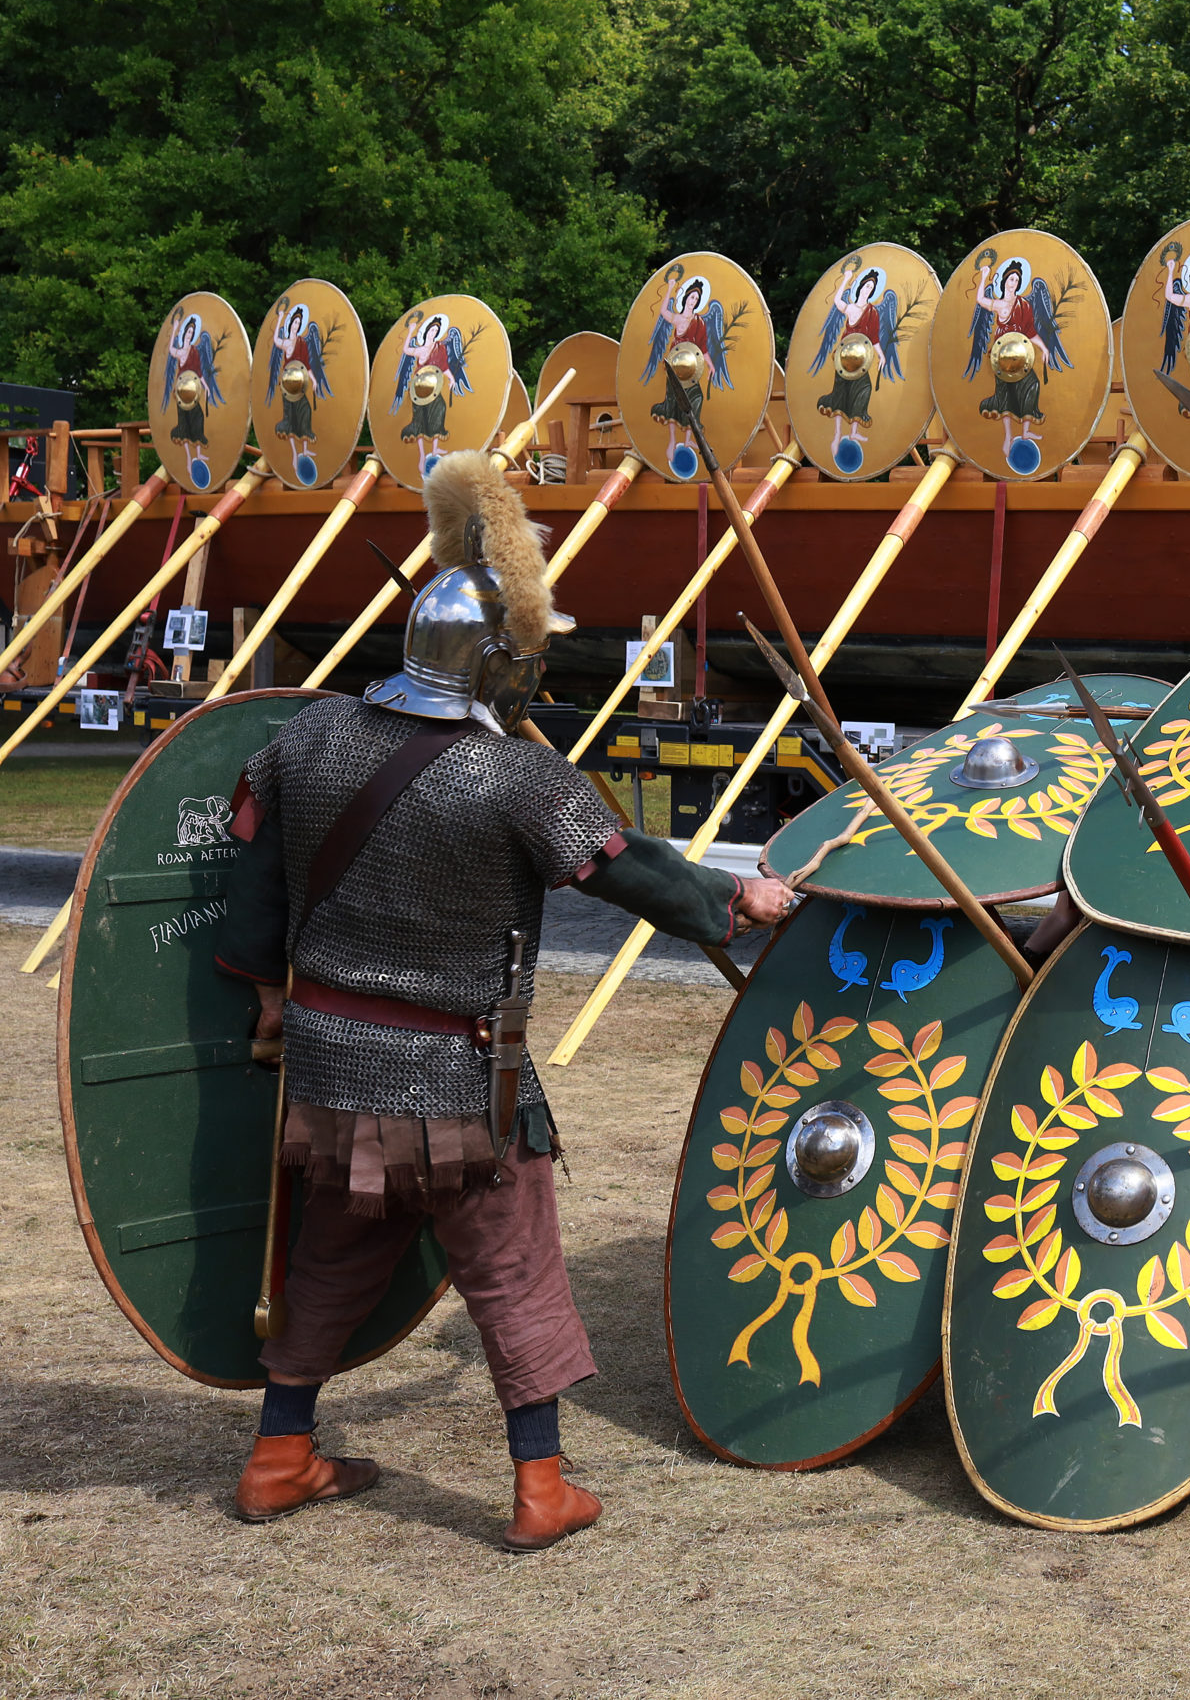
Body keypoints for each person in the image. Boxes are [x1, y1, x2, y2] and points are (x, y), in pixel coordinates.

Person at [212, 450, 795, 1550]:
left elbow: (254, 904)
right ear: (495, 666)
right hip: (460, 1086)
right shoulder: (521, 780)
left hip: (331, 1074)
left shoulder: (308, 741)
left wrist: (267, 1001)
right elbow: (628, 867)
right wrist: (740, 900)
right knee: (512, 1270)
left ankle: (280, 1457)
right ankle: (541, 1489)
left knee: (332, 1255)